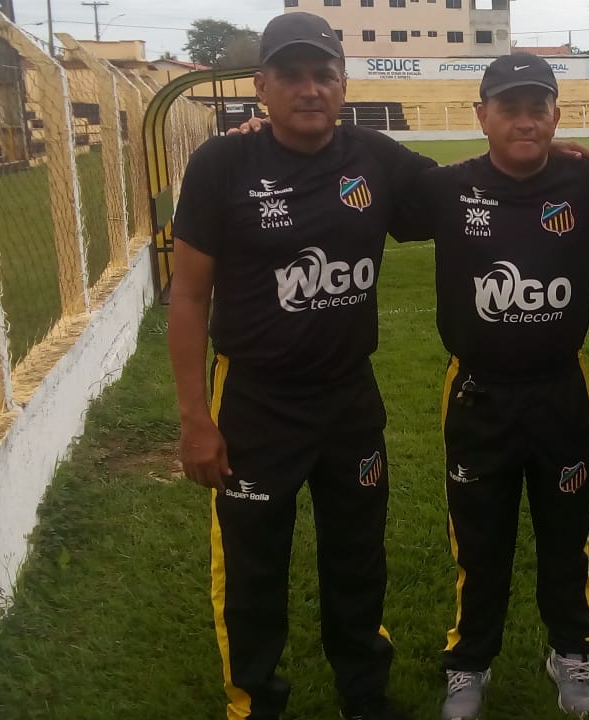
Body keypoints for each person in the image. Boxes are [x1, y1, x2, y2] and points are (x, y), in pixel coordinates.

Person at [167, 12, 436, 720]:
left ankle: (364, 696)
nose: (309, 88)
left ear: (343, 84)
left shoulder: (377, 159)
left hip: (349, 398)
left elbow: (473, 192)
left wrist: (548, 153)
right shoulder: (222, 164)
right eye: (291, 74)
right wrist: (196, 419)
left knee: (356, 555)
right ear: (261, 86)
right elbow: (190, 296)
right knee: (253, 567)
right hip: (256, 399)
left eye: (323, 74)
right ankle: (252, 702)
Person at [394, 53, 589, 720]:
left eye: (538, 107)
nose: (525, 120)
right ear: (482, 115)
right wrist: (250, 132)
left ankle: (571, 650)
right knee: (479, 538)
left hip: (560, 390)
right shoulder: (446, 187)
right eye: (509, 107)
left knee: (566, 533)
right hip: (478, 393)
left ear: (557, 113)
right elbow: (356, 167)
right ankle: (469, 664)